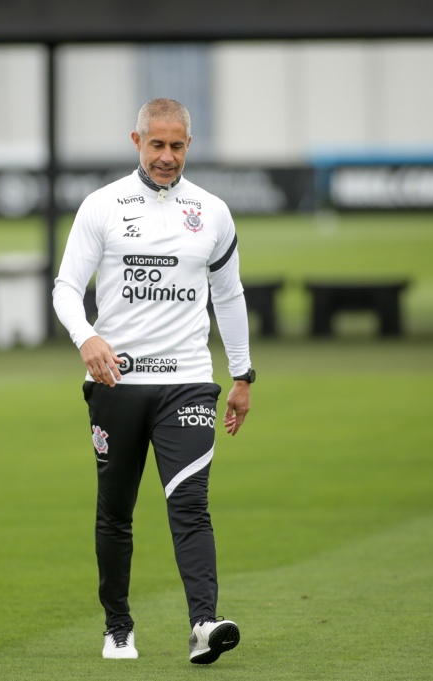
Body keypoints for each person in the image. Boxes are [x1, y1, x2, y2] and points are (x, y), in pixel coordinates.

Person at [52, 98, 253, 665]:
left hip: (188, 382)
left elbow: (229, 295)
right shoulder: (103, 205)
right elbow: (66, 287)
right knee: (115, 511)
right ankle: (118, 627)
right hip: (117, 384)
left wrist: (241, 374)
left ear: (190, 144)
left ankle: (203, 624)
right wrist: (87, 338)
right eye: (157, 144)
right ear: (136, 141)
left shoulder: (212, 211)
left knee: (190, 504)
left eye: (178, 145)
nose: (167, 157)